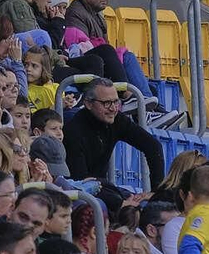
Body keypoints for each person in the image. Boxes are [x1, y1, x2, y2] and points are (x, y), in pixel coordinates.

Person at [64, 77, 165, 207]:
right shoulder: (73, 131)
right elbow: (81, 183)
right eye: (106, 103)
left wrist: (156, 192)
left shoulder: (117, 120)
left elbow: (153, 146)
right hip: (84, 194)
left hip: (104, 186)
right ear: (88, 103)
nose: (113, 108)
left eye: (116, 102)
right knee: (130, 209)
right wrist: (121, 203)